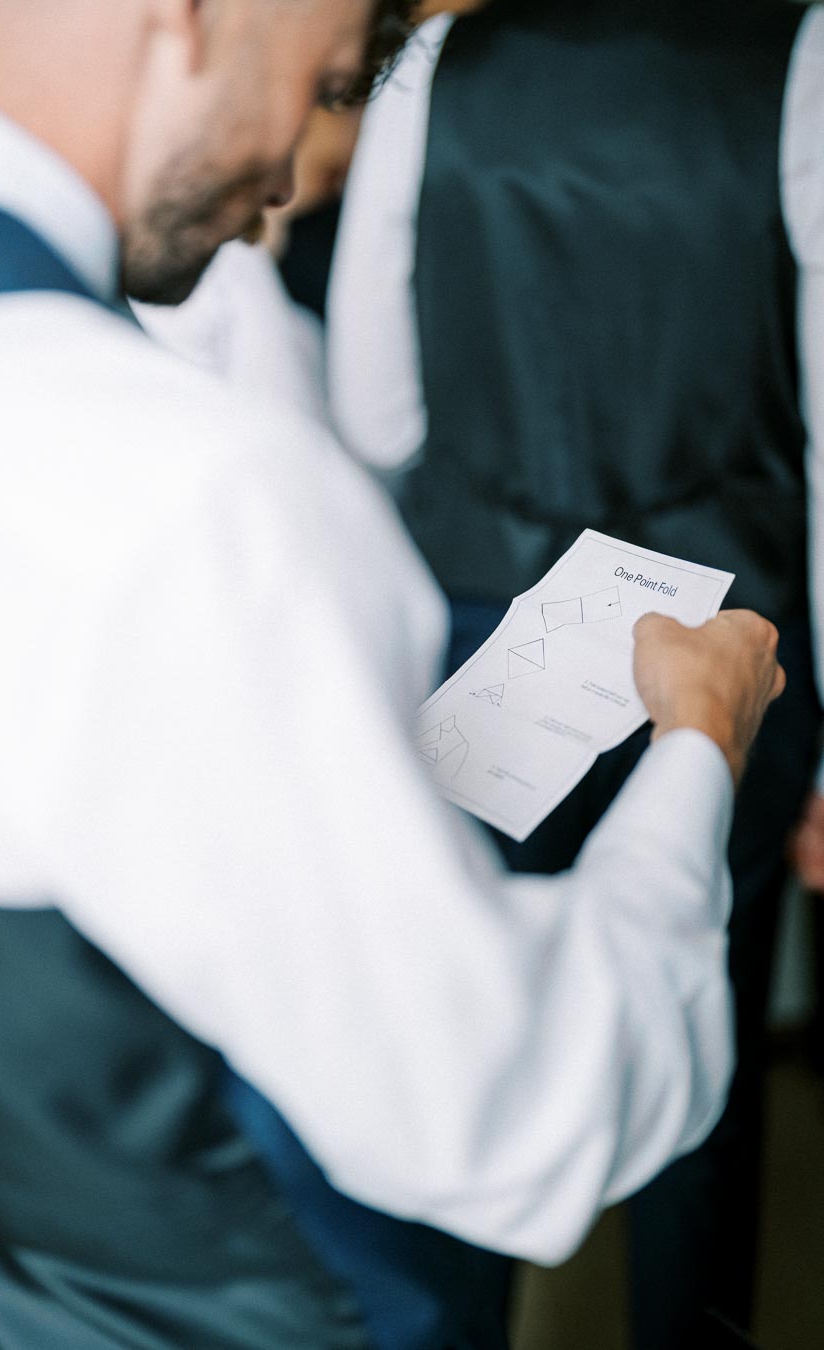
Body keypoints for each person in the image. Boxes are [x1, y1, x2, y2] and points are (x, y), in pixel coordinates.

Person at [0, 1, 785, 1346]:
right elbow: (520, 1116)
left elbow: (386, 403)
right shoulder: (188, 492)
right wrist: (698, 747)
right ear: (202, 18)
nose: (287, 172)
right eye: (326, 80)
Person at [327, 2, 824, 1344]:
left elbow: (375, 407)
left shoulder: (439, 58)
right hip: (729, 638)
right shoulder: (799, 51)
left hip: (489, 623)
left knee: (464, 1028)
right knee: (693, 1023)